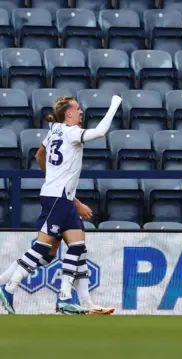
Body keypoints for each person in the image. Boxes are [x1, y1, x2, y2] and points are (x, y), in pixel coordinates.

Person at [0, 94, 121, 315]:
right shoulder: (72, 132)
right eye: (78, 109)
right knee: (43, 249)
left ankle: (81, 301)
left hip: (61, 197)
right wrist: (114, 104)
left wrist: (54, 179)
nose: (81, 112)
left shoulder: (54, 130)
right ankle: (9, 287)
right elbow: (101, 132)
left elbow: (39, 155)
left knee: (77, 246)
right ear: (69, 113)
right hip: (57, 198)